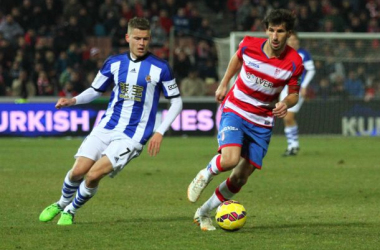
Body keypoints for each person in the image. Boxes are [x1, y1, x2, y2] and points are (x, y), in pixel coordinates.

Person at [39, 17, 183, 225]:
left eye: (145, 39)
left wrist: (160, 131)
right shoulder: (114, 63)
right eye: (137, 38)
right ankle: (61, 203)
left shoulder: (161, 68)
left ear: (150, 39)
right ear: (127, 38)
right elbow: (95, 90)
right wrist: (73, 100)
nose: (142, 43)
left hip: (133, 135)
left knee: (94, 175)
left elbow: (176, 102)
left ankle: (70, 210)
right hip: (107, 126)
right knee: (78, 171)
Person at [187, 9, 304, 231]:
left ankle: (203, 213)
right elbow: (237, 58)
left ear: (288, 33)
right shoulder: (249, 44)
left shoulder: (295, 62)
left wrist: (284, 103)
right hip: (236, 109)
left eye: (280, 31)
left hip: (262, 121)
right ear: (266, 31)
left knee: (240, 178)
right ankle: (205, 174)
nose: (275, 36)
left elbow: (294, 94)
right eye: (271, 30)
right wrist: (224, 83)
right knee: (230, 159)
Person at [279, 32, 315, 156]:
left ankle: (293, 146)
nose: (293, 42)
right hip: (284, 88)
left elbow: (311, 70)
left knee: (288, 117)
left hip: (296, 89)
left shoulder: (303, 54)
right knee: (286, 117)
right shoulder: (283, 53)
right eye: (290, 40)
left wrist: (304, 86)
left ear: (298, 41)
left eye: (295, 40)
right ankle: (292, 146)